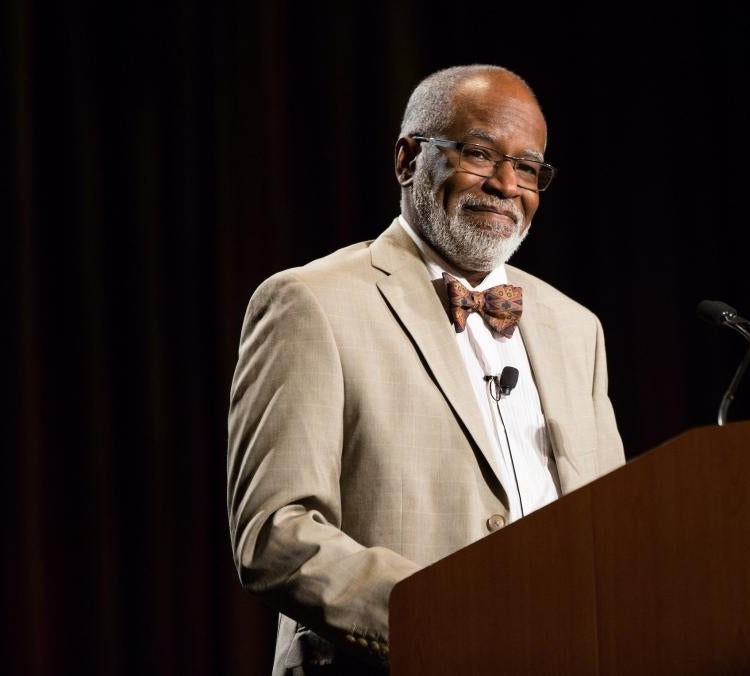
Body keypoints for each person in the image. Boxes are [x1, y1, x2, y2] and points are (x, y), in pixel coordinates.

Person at [227, 64, 625, 675]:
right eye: (480, 153)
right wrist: (450, 616)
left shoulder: (577, 329)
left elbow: (612, 525)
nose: (504, 184)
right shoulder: (311, 302)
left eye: (527, 167)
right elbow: (275, 536)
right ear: (408, 159)